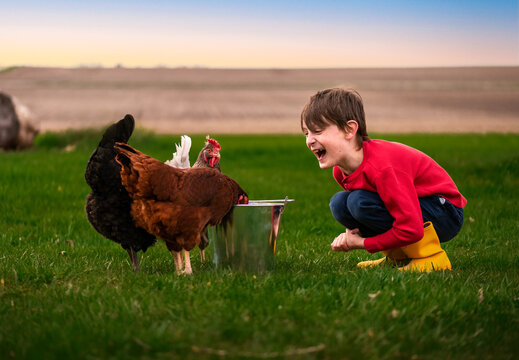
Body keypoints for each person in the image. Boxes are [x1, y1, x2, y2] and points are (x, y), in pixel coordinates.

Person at [301, 88, 466, 272]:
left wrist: (363, 243)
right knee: (341, 204)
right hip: (417, 210)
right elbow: (377, 210)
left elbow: (411, 228)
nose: (309, 141)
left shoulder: (383, 168)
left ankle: (432, 258)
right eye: (306, 133)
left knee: (358, 202)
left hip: (445, 211)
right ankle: (397, 257)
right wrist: (351, 235)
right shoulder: (341, 171)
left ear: (349, 130)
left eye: (317, 131)